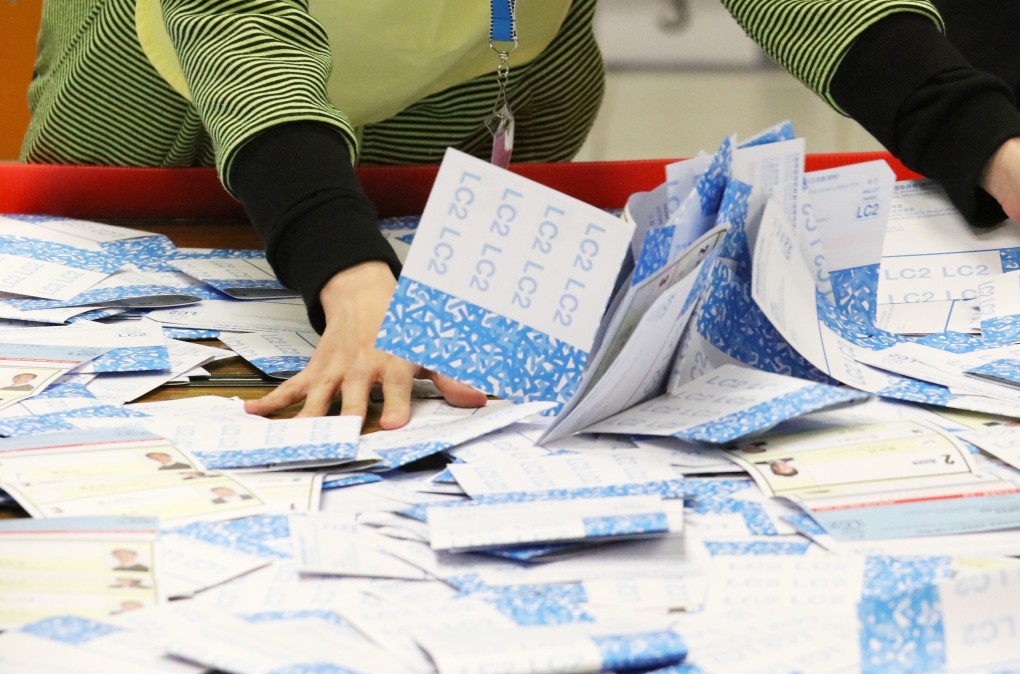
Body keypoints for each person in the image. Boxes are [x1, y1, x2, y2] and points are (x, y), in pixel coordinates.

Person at [21, 1, 1020, 429]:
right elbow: (241, 34)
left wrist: (991, 145)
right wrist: (353, 275)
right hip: (190, 116)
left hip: (464, 102)